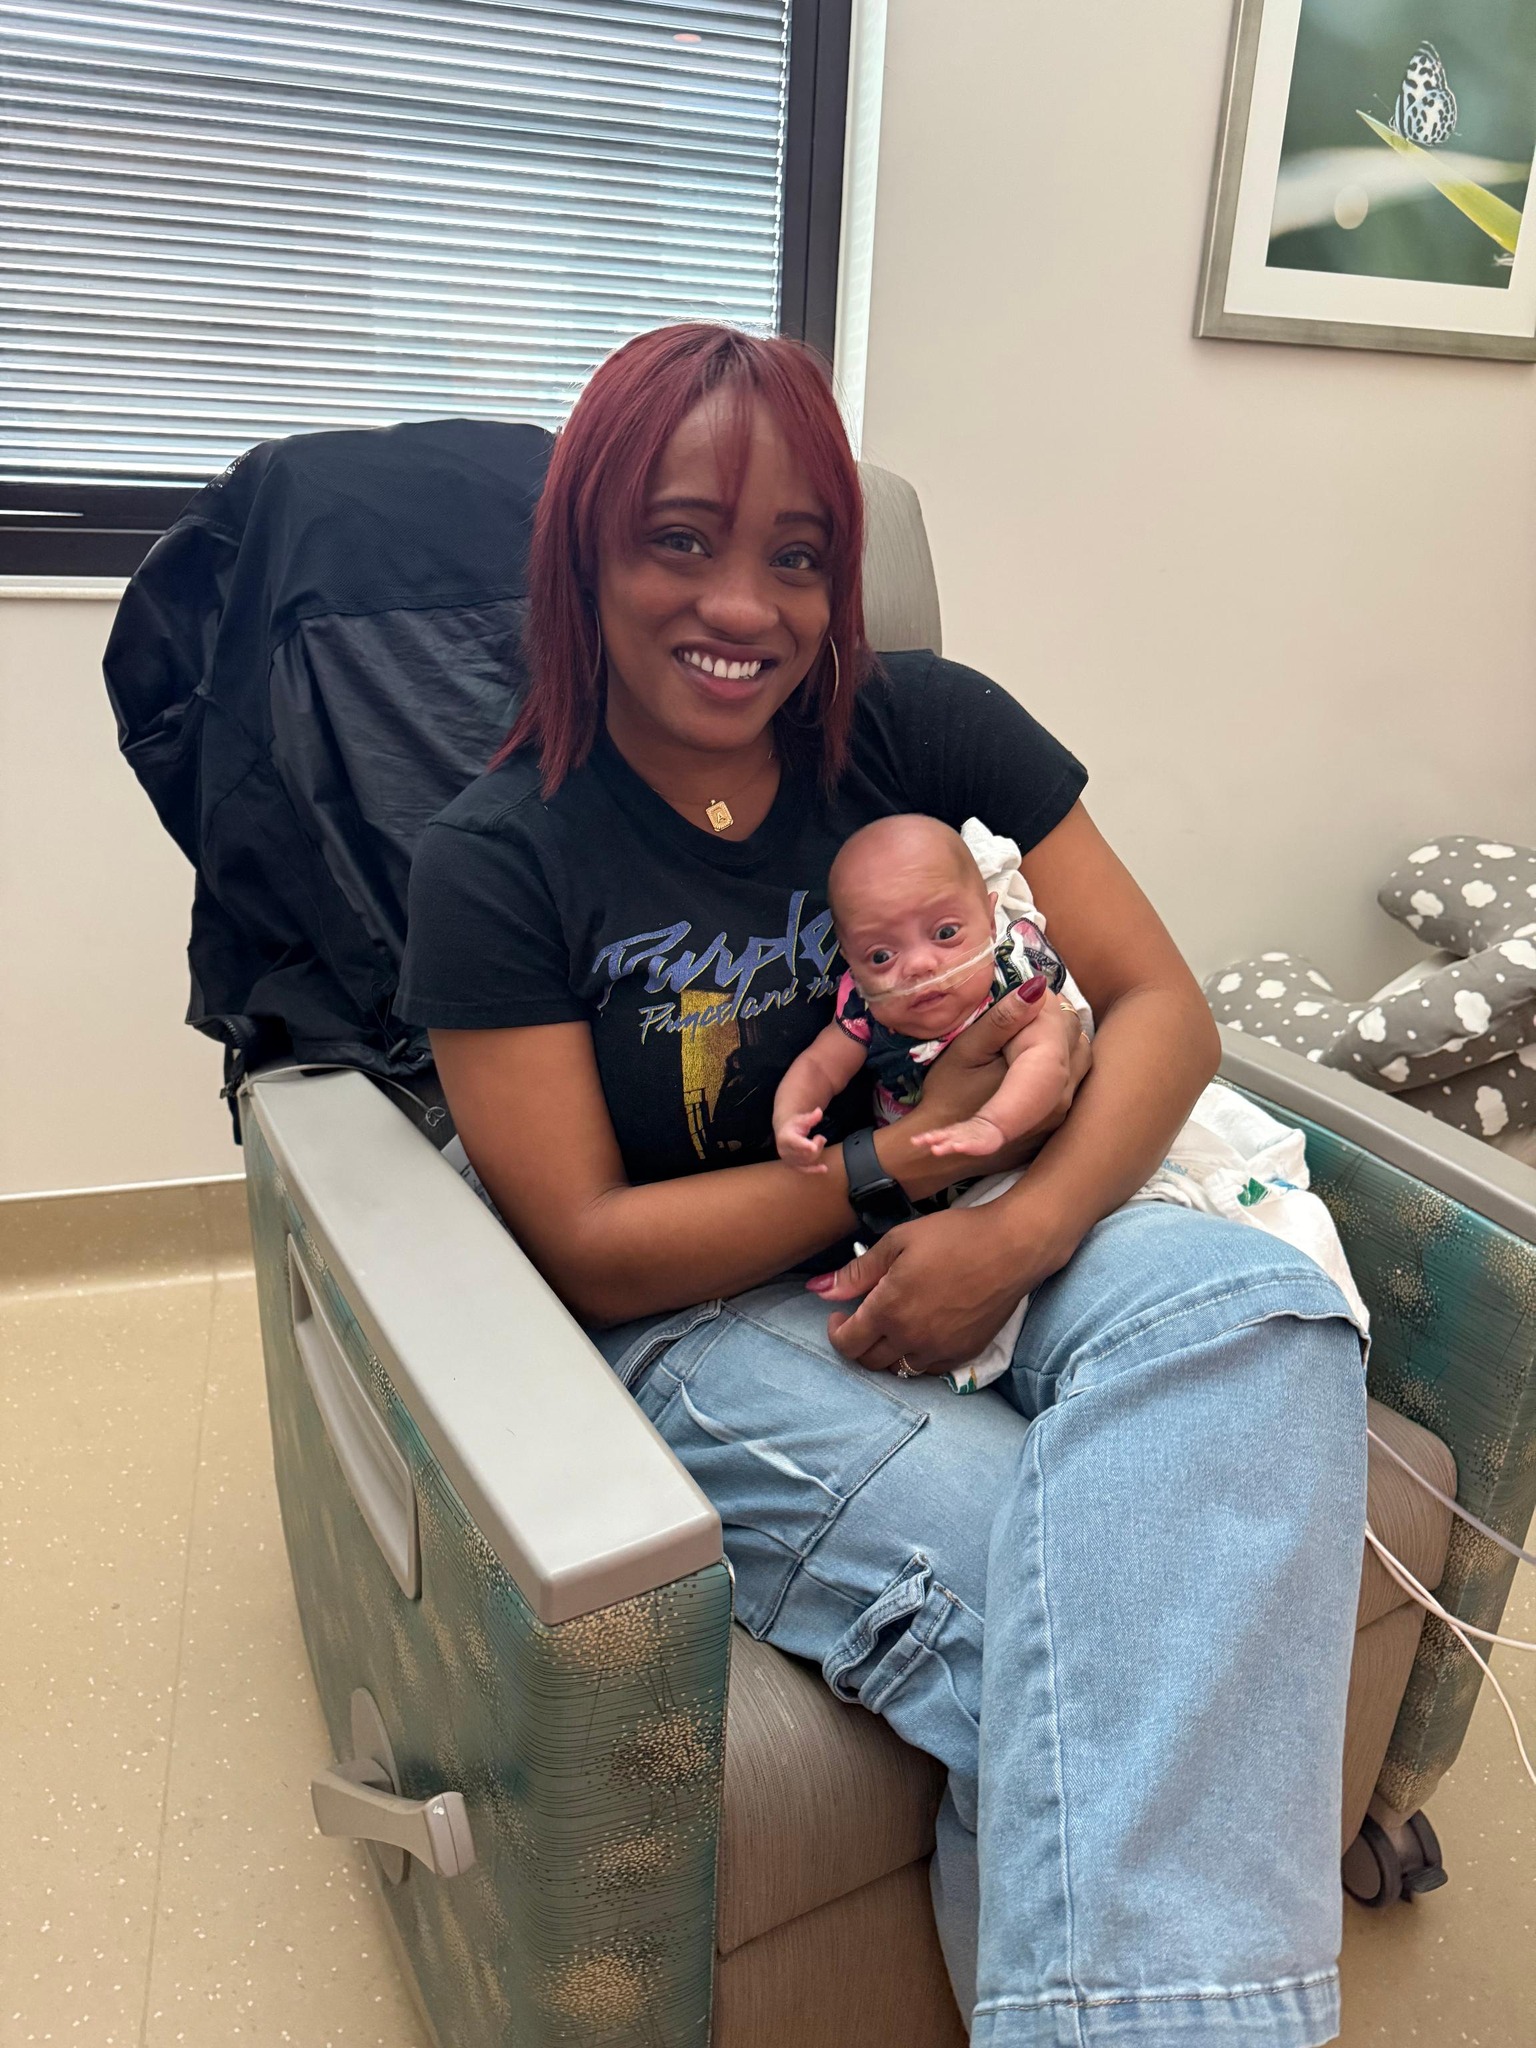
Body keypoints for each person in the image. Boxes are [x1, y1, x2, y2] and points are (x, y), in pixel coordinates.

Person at [397, 323, 1367, 2047]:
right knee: (1072, 1598)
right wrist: (897, 1167)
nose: (746, 605)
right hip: (706, 1312)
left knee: (1258, 1304)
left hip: (1020, 1210)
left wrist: (1017, 1231)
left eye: (797, 555)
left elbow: (1161, 1007)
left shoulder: (922, 726)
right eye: (680, 539)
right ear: (584, 551)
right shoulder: (501, 856)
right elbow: (590, 1248)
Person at [772, 811, 1076, 1167]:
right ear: (851, 964)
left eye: (945, 933)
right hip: (924, 1191)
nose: (918, 966)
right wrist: (789, 1119)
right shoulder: (865, 1011)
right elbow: (819, 1067)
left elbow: (1044, 1062)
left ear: (990, 922)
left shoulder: (1011, 986)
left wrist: (991, 1124)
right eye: (881, 955)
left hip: (1034, 1161)